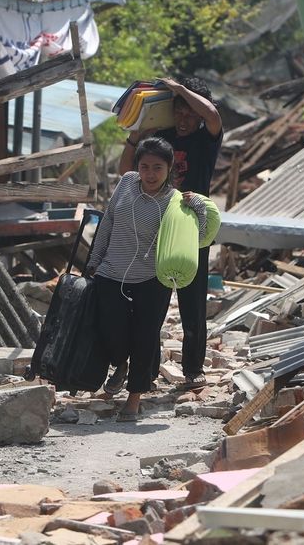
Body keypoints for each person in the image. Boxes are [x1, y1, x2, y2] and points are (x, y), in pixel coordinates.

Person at [86, 137, 207, 421]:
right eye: (144, 167)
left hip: (151, 278)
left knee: (144, 337)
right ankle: (120, 364)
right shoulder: (127, 183)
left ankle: (134, 397)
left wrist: (199, 209)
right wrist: (94, 259)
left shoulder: (176, 202)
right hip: (111, 270)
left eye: (157, 168)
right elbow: (108, 221)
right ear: (137, 167)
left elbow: (195, 239)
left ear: (170, 169)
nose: (149, 174)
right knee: (109, 329)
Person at [117, 76, 222, 390]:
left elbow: (214, 116)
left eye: (190, 112)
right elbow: (127, 171)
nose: (184, 118)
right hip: (156, 223)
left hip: (192, 225)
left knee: (192, 304)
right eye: (178, 111)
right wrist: (135, 137)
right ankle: (147, 373)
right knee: (152, 302)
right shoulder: (160, 138)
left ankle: (193, 370)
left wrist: (177, 89)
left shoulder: (207, 138)